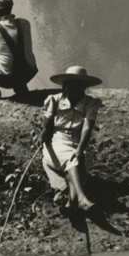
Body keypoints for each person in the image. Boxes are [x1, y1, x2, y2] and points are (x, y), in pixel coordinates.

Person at [41, 66, 102, 211]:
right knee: (73, 160)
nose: (76, 88)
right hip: (58, 141)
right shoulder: (54, 100)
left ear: (84, 87)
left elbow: (87, 127)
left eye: (80, 85)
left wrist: (81, 149)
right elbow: (47, 127)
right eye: (72, 84)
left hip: (78, 141)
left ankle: (71, 203)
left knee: (78, 163)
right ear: (65, 85)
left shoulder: (90, 103)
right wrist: (43, 135)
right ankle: (82, 198)